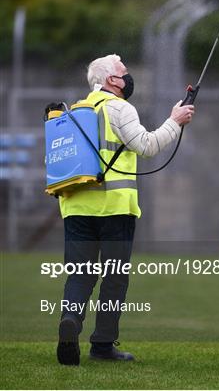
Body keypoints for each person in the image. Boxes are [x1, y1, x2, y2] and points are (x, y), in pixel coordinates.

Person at [57, 54, 195, 366]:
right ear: (111, 81)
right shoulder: (120, 107)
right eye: (124, 72)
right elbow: (146, 145)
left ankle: (70, 320)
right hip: (115, 210)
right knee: (114, 278)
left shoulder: (74, 111)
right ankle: (103, 345)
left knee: (79, 275)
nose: (128, 76)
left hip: (76, 208)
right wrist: (175, 120)